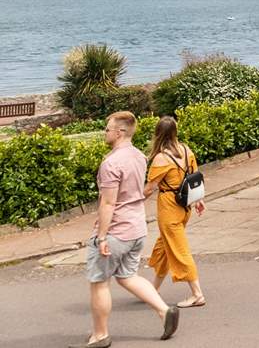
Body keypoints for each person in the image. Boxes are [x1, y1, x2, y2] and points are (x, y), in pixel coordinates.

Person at [73, 111, 179, 348]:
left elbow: (108, 202)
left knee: (99, 281)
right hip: (137, 227)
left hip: (116, 231)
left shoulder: (111, 163)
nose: (105, 132)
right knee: (128, 276)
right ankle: (164, 311)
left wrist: (101, 236)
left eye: (107, 129)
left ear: (120, 132)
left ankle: (100, 335)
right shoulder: (139, 157)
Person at [145, 117, 206, 309]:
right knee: (166, 246)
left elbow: (149, 189)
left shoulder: (161, 159)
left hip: (169, 208)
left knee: (179, 251)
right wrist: (199, 200)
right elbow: (194, 177)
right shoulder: (186, 150)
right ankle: (152, 290)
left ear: (158, 134)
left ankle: (197, 294)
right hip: (184, 206)